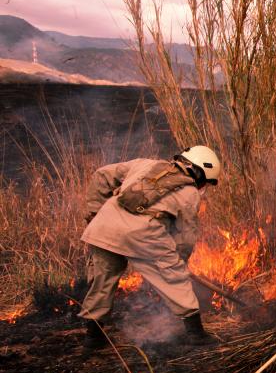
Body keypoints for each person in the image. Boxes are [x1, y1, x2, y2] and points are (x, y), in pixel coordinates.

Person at [78, 145, 221, 349]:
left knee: (102, 281)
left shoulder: (144, 164)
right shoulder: (190, 193)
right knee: (175, 277)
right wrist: (178, 262)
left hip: (102, 228)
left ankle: (93, 337)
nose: (204, 186)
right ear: (201, 173)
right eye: (206, 181)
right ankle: (196, 334)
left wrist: (95, 214)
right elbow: (185, 235)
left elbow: (101, 176)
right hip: (143, 234)